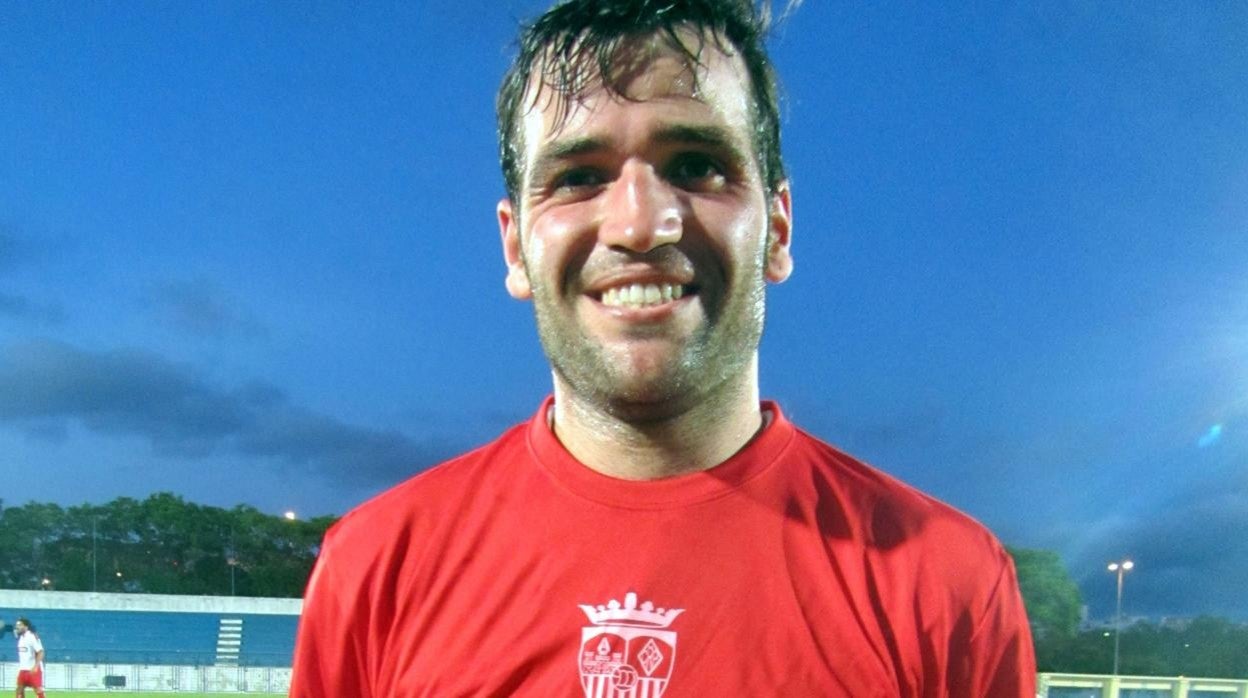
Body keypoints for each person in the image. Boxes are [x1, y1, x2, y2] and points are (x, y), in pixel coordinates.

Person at [291, 0, 1036, 695]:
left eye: (696, 165)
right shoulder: (375, 568)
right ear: (515, 246)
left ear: (777, 228)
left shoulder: (948, 585)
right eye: (579, 177)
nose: (640, 224)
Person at [14, 617, 47, 698]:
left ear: (26, 627)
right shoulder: (21, 638)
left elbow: (41, 652)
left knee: (38, 690)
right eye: (17, 625)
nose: (17, 627)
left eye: (20, 625)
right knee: (19, 690)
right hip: (23, 669)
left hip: (33, 669)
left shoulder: (32, 637)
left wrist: (36, 666)